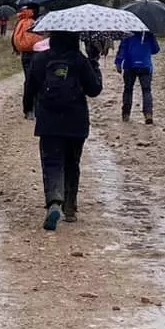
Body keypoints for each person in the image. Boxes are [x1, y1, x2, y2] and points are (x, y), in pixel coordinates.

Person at [23, 31, 103, 230]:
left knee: (52, 163)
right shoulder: (80, 60)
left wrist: (27, 108)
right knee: (72, 163)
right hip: (76, 122)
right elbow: (94, 90)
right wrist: (94, 62)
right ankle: (70, 207)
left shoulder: (41, 59)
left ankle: (54, 202)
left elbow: (30, 87)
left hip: (48, 121)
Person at [116, 30, 159, 124]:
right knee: (146, 90)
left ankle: (126, 114)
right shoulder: (149, 34)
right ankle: (148, 114)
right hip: (145, 65)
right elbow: (156, 50)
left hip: (129, 66)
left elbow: (122, 49)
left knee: (128, 89)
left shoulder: (127, 33)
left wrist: (118, 62)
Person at [11, 3, 47, 76]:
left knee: (28, 75)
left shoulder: (21, 20)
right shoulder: (38, 21)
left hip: (25, 53)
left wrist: (16, 48)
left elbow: (14, 35)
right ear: (36, 10)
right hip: (37, 53)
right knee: (37, 76)